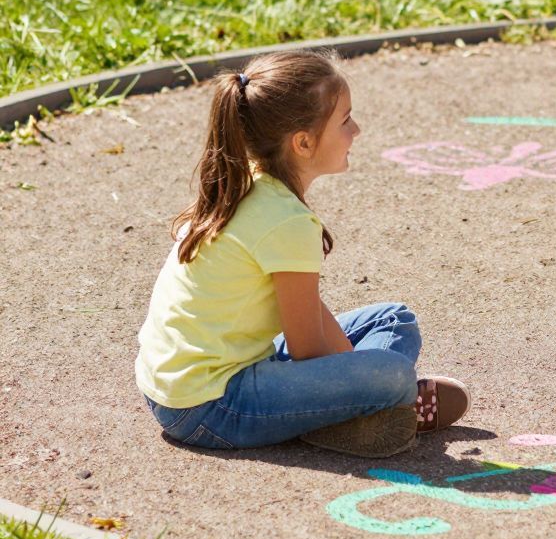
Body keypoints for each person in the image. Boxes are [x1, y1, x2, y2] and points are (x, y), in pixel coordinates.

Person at [135, 47, 469, 456]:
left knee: (394, 319)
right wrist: (359, 377)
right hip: (212, 406)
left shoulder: (251, 181)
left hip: (183, 385)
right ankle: (359, 412)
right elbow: (307, 345)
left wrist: (347, 372)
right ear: (304, 142)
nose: (357, 130)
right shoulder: (286, 220)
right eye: (345, 120)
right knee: (394, 373)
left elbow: (305, 313)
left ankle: (356, 411)